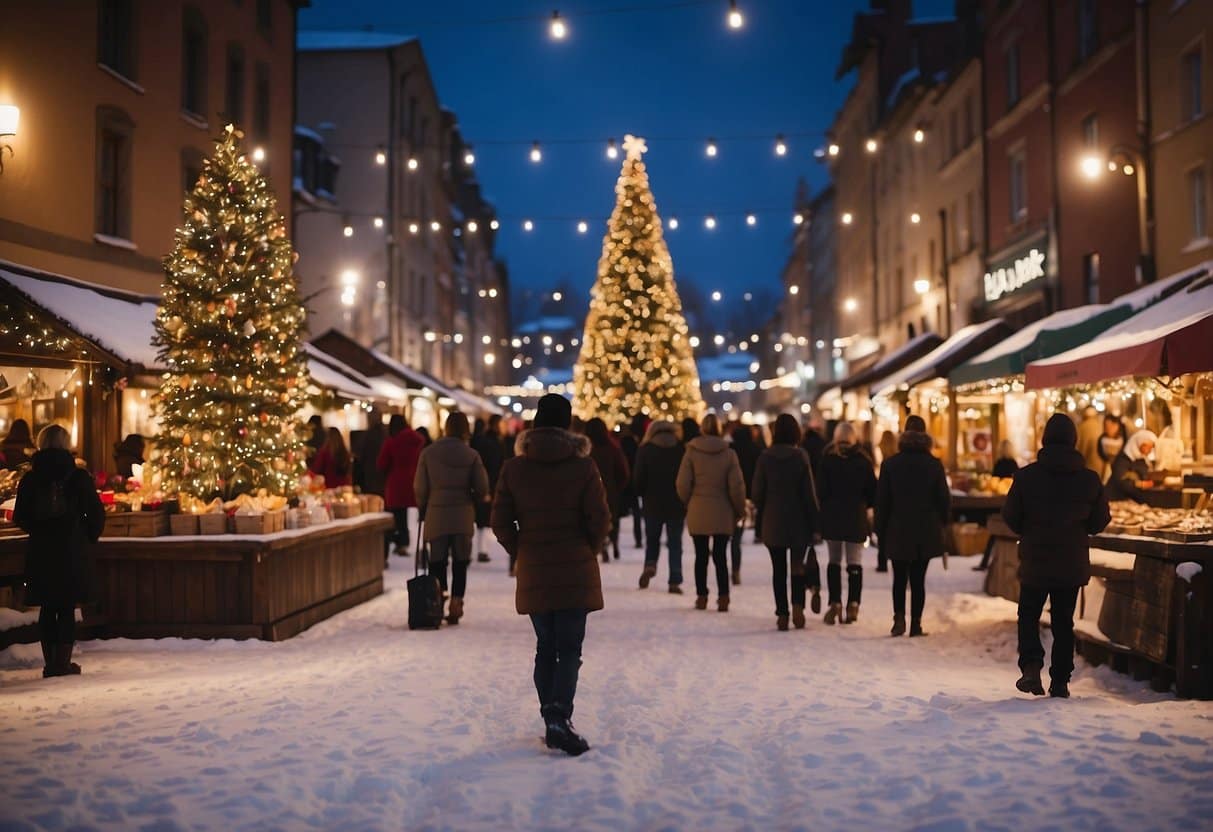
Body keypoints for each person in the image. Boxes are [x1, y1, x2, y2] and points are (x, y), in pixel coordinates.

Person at [491, 393, 610, 756]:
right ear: (567, 423)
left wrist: (521, 549)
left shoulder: (514, 468)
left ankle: (551, 717)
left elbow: (498, 522)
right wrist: (588, 546)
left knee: (546, 647)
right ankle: (560, 715)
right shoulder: (583, 467)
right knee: (570, 649)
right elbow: (600, 518)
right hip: (575, 567)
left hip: (536, 569)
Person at [1003, 413, 1111, 698]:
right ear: (1073, 441)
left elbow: (1011, 517)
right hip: (1070, 562)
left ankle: (1030, 667)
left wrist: (1028, 530)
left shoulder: (1025, 477)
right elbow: (1100, 521)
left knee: (1028, 614)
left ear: (1045, 439)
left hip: (1035, 560)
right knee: (1064, 621)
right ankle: (1060, 680)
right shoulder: (1089, 480)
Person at [12, 425, 105, 678]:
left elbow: (20, 516)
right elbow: (96, 513)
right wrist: (85, 534)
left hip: (41, 550)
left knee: (47, 606)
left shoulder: (30, 478)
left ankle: (50, 662)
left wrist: (39, 530)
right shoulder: (78, 477)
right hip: (70, 550)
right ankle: (62, 664)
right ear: (66, 445)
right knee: (65, 606)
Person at [876, 415, 950, 637]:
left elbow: (882, 501)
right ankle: (916, 624)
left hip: (897, 529)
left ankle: (898, 620)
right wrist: (943, 523)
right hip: (925, 530)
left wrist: (880, 529)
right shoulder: (934, 465)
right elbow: (944, 500)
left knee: (899, 578)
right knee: (918, 579)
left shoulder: (890, 464)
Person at [414, 412, 489, 625]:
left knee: (437, 560)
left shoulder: (428, 453)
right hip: (462, 513)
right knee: (460, 561)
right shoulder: (472, 455)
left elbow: (420, 486)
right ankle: (457, 602)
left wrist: (423, 505)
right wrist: (474, 498)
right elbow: (482, 487)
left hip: (436, 512)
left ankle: (438, 597)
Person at [752, 414, 819, 631]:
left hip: (773, 520)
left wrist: (761, 512)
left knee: (778, 568)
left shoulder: (765, 457)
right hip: (798, 519)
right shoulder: (801, 456)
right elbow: (809, 493)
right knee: (797, 566)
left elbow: (757, 493)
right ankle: (798, 605)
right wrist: (815, 521)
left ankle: (782, 613)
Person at [676, 414, 746, 612]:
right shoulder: (729, 453)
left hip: (698, 507)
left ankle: (702, 596)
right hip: (722, 510)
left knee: (700, 555)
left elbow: (682, 483)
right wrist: (739, 509)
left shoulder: (691, 451)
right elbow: (737, 486)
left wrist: (689, 501)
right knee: (721, 555)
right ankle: (723, 597)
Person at [817, 421, 878, 625]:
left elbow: (821, 490)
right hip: (855, 517)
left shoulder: (827, 459)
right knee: (855, 562)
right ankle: (853, 603)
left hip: (832, 517)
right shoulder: (863, 460)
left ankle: (835, 602)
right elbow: (872, 492)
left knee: (834, 561)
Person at [633, 420, 686, 593]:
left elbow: (639, 477)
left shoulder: (645, 449)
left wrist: (642, 493)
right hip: (676, 502)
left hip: (652, 502)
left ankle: (650, 564)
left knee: (652, 539)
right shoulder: (680, 448)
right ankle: (675, 579)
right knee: (675, 543)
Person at [378, 414, 425, 556]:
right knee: (408, 515)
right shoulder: (418, 441)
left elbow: (382, 463)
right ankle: (404, 543)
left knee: (395, 514)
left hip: (396, 483)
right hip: (414, 481)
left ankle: (397, 540)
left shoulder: (391, 442)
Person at [585, 418, 630, 562]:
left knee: (593, 518)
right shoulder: (612, 448)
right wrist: (618, 487)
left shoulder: (585, 451)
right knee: (612, 519)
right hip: (610, 490)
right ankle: (613, 542)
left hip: (589, 492)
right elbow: (623, 471)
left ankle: (601, 543)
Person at [728, 422, 760, 583]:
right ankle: (736, 570)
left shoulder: (730, 450)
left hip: (728, 496)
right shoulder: (755, 450)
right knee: (736, 538)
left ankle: (730, 568)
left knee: (726, 535)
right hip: (746, 496)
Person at [471, 416, 505, 564]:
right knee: (483, 519)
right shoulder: (493, 443)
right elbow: (494, 466)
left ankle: (478, 549)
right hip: (488, 483)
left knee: (479, 518)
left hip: (476, 484)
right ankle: (482, 550)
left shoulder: (477, 442)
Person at [619, 414, 648, 550]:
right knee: (637, 512)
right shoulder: (637, 446)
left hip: (623, 483)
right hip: (633, 482)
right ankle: (639, 539)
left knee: (617, 512)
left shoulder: (619, 446)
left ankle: (614, 540)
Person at [1105, 429, 1158, 503]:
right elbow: (1121, 482)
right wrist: (1140, 484)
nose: (1149, 450)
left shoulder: (1143, 460)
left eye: (1151, 448)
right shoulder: (1123, 460)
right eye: (1148, 447)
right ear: (1139, 443)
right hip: (1116, 499)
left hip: (1134, 499)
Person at [874, 429, 899, 572]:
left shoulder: (885, 458)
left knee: (883, 530)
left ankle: (882, 561)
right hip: (895, 497)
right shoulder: (895, 456)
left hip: (885, 492)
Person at [356, 410, 388, 498]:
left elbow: (360, 455)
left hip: (370, 475)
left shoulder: (367, 435)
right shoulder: (387, 433)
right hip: (384, 476)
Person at [1096, 414, 1127, 478]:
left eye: (1111, 426)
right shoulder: (1102, 439)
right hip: (1104, 469)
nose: (1108, 429)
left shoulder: (1123, 439)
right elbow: (1100, 452)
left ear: (1117, 426)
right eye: (1106, 426)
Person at [1076, 407, 1104, 476]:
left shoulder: (1082, 427)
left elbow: (1079, 447)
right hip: (1101, 465)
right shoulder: (1101, 426)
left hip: (1087, 465)